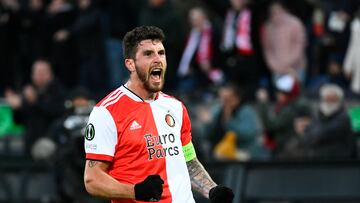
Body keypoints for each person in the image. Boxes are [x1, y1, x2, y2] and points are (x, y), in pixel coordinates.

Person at [83, 26, 234, 203]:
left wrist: (212, 190)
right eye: (148, 54)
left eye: (161, 53)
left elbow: (188, 160)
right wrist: (136, 191)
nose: (158, 59)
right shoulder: (106, 112)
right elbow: (92, 180)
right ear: (130, 64)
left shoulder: (176, 107)